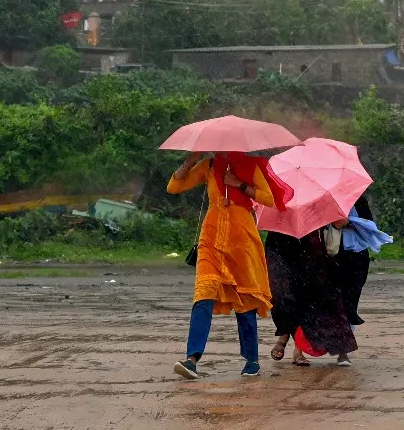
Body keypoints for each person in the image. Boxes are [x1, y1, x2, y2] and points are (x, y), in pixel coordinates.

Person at [167, 150, 290, 380]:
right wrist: (191, 160)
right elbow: (174, 187)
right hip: (211, 240)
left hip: (241, 242)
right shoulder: (209, 164)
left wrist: (239, 184)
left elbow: (268, 198)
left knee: (244, 300)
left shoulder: (252, 166)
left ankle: (251, 360)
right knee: (203, 295)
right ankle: (191, 359)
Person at [267, 221, 358, 367]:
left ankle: (297, 349)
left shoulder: (317, 200)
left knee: (310, 299)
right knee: (284, 300)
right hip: (281, 247)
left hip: (311, 249)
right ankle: (283, 337)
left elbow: (337, 220)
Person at [335, 195, 392, 326]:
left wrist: (349, 223)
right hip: (330, 256)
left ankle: (346, 338)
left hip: (355, 257)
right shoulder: (323, 203)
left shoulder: (358, 201)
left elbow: (370, 227)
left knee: (350, 303)